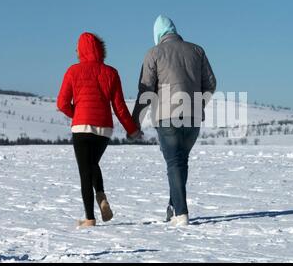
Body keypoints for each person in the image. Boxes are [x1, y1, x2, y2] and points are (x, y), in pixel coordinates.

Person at [132, 16, 216, 226]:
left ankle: (181, 212)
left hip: (167, 116)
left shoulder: (154, 53)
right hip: (192, 117)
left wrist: (135, 121)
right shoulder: (197, 50)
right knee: (180, 161)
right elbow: (211, 84)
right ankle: (172, 206)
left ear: (157, 35)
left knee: (174, 162)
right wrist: (198, 104)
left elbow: (146, 89)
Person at [57, 32, 141, 228]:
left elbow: (62, 103)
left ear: (82, 50)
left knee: (85, 171)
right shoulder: (111, 72)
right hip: (104, 130)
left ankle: (89, 218)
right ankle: (101, 196)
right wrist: (132, 129)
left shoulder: (73, 71)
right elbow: (119, 107)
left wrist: (76, 114)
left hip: (81, 127)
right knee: (92, 163)